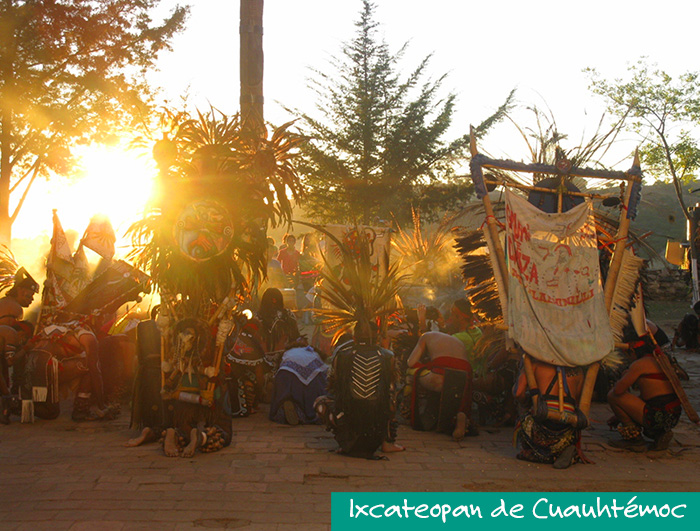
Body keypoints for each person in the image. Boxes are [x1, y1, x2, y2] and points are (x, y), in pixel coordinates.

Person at [314, 320, 403, 457]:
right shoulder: (388, 356)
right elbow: (390, 387)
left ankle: (345, 442)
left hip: (348, 418)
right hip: (377, 420)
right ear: (377, 338)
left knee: (320, 403)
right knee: (391, 396)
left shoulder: (342, 356)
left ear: (354, 337)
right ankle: (388, 442)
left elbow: (335, 387)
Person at [607, 335, 681, 452]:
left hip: (657, 416)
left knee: (612, 395)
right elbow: (650, 396)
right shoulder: (662, 359)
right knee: (645, 404)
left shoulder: (640, 364)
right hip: (673, 416)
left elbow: (618, 391)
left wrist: (624, 376)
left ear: (632, 351)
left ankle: (634, 439)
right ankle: (659, 434)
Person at [513, 357, 587, 468]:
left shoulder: (534, 364)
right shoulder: (579, 371)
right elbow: (577, 406)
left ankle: (536, 452)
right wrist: (578, 445)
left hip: (541, 429)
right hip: (566, 434)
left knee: (525, 417)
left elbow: (518, 393)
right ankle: (563, 451)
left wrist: (526, 401)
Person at [405, 330, 474, 439]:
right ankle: (460, 417)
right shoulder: (457, 340)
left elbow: (411, 362)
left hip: (441, 373)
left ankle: (410, 412)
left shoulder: (426, 336)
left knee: (411, 372)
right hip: (464, 375)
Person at [269, 340, 328, 425]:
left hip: (286, 372)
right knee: (314, 399)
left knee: (281, 398)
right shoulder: (313, 352)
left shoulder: (287, 353)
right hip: (313, 375)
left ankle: (286, 408)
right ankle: (301, 412)